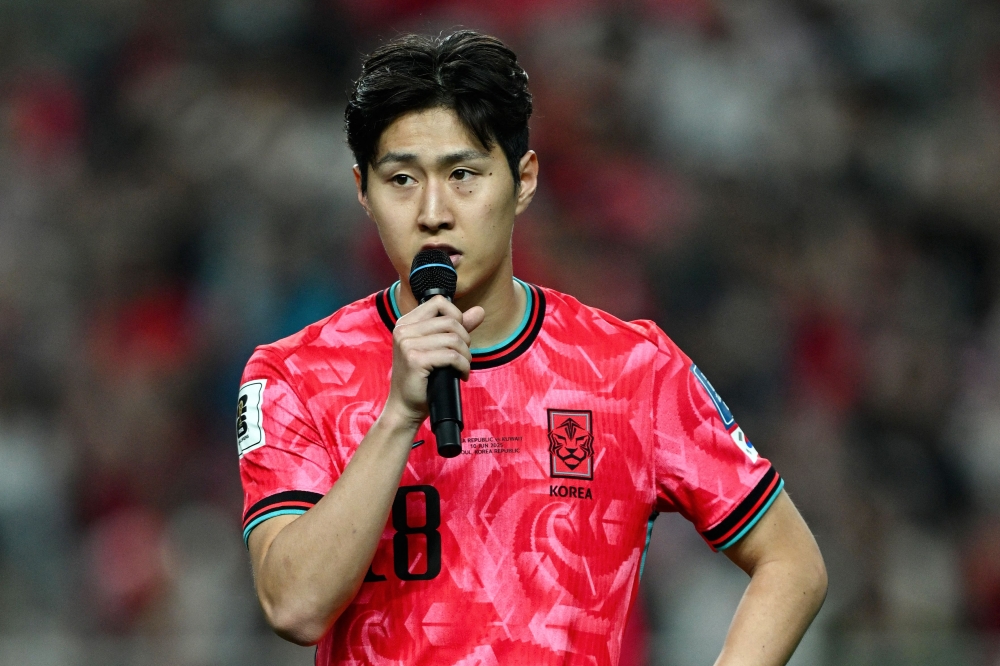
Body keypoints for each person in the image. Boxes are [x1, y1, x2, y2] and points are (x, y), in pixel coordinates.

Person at [236, 30, 827, 665]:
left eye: (464, 174)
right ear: (362, 190)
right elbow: (294, 607)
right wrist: (398, 416)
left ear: (523, 180)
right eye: (402, 179)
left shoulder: (630, 368)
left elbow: (792, 561)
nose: (433, 211)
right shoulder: (295, 374)